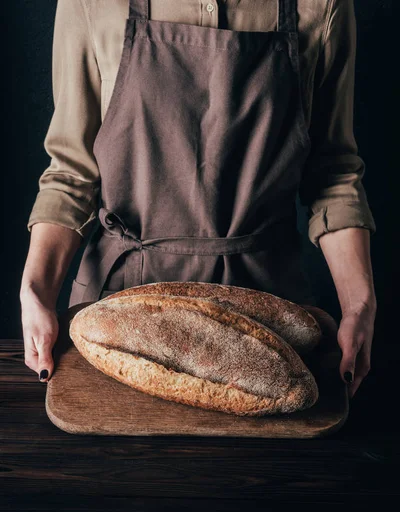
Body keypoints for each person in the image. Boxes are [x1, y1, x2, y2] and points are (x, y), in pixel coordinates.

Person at [20, 0, 377, 400]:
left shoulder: (323, 6)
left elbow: (333, 174)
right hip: (118, 310)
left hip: (271, 313)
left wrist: (359, 305)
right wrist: (36, 291)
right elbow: (72, 173)